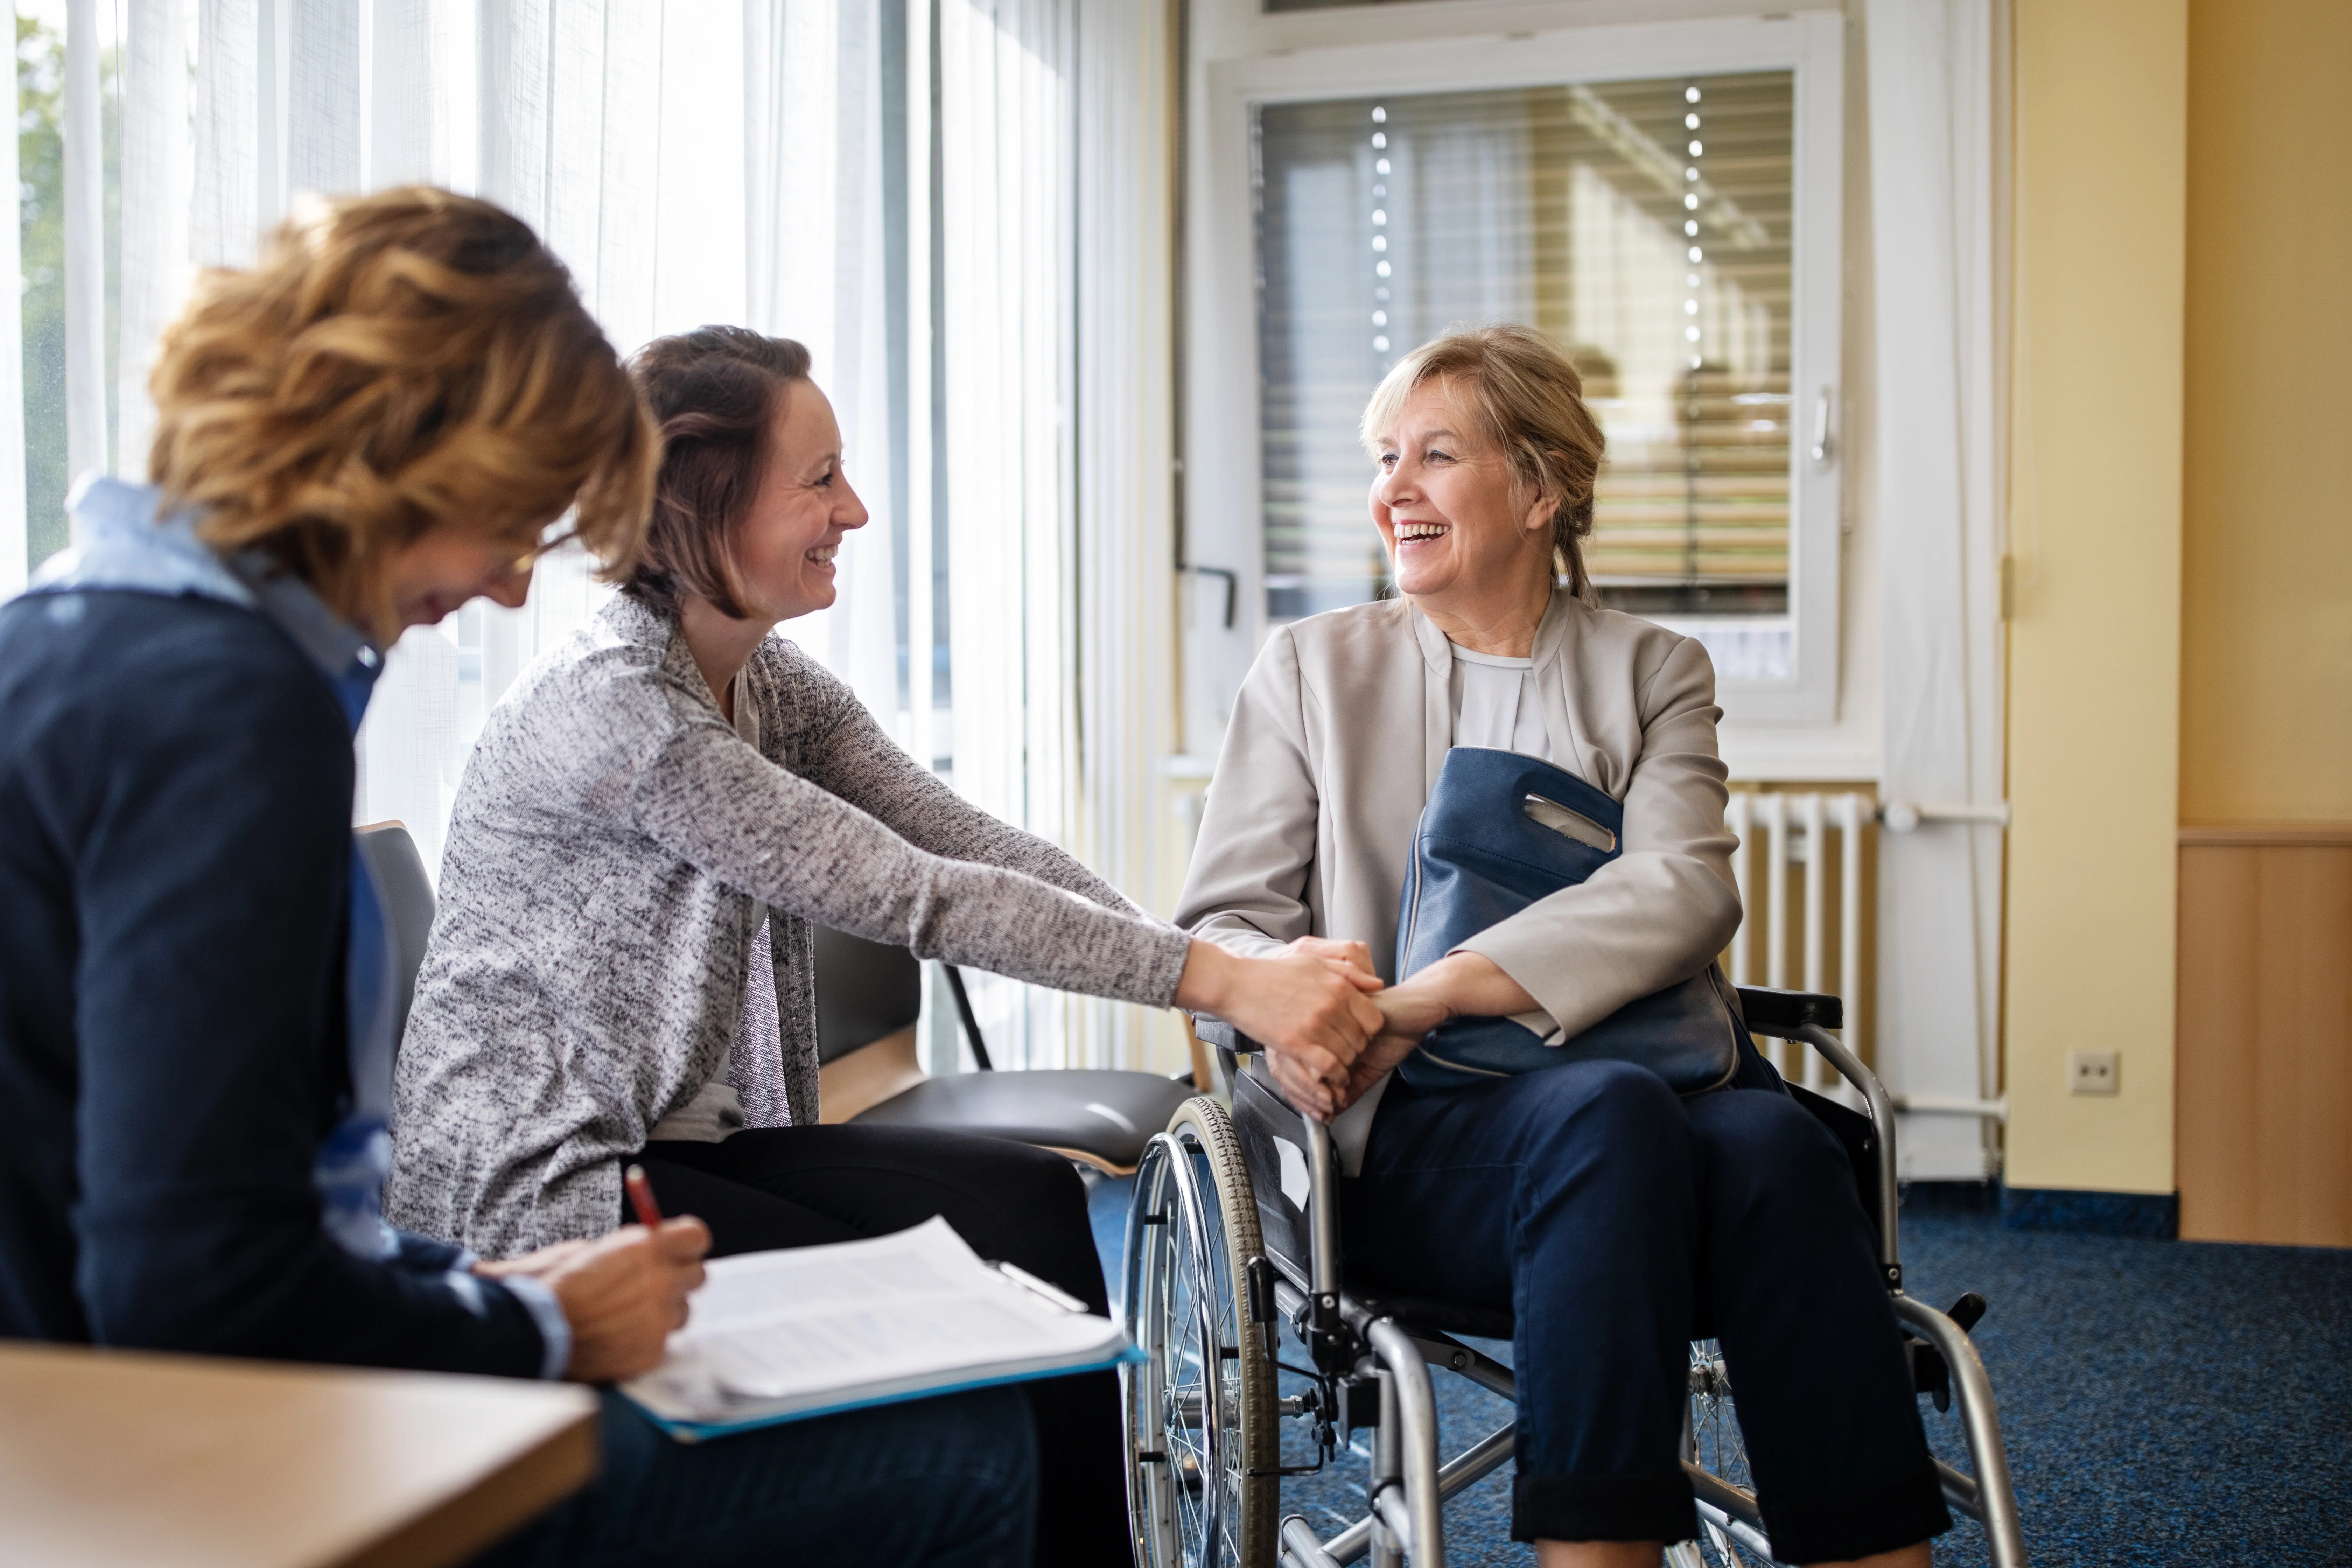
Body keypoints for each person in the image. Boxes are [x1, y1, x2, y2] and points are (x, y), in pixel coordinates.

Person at [0, 188, 1037, 1568]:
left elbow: (198, 1211)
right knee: (960, 1457)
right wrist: (539, 1323)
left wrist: (471, 1287)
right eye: (514, 517)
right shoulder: (230, 713)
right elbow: (194, 1288)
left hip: (93, 1413)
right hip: (161, 1466)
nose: (504, 585)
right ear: (404, 448)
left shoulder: (61, 636)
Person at [385, 324, 1382, 1564]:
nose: (853, 510)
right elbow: (916, 896)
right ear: (703, 506)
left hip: (683, 1147)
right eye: (818, 481)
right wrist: (1231, 978)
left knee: (1020, 1200)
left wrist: (1219, 990)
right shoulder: (621, 712)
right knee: (954, 1339)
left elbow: (965, 841)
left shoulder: (773, 685)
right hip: (547, 1190)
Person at [1172, 324, 1952, 1568]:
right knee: (1610, 1115)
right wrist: (1280, 1010)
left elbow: (1686, 888)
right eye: (1385, 459)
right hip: (1407, 1143)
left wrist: (1423, 995)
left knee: (1780, 1142)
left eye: (1437, 454)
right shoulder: (1311, 671)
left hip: (1639, 1102)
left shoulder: (1651, 670)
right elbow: (1223, 925)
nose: (1395, 490)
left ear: (1544, 489)